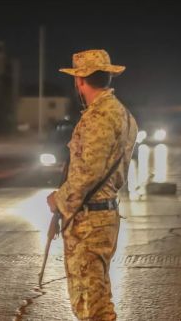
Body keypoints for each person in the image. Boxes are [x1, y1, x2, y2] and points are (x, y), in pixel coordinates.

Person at [46, 50, 137, 321]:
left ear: (80, 81)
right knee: (97, 300)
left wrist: (59, 200)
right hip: (101, 217)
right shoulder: (123, 113)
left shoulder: (99, 117)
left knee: (90, 306)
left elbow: (88, 172)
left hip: (90, 222)